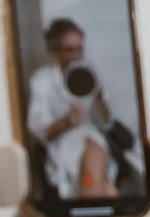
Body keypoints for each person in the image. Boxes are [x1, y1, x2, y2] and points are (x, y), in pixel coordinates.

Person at [25, 17, 114, 197]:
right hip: (62, 144)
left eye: (79, 49)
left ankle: (93, 192)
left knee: (92, 167)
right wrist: (67, 122)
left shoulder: (90, 75)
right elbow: (39, 129)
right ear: (54, 51)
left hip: (91, 138)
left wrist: (99, 98)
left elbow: (105, 123)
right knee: (103, 187)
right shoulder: (43, 80)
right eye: (69, 50)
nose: (75, 55)